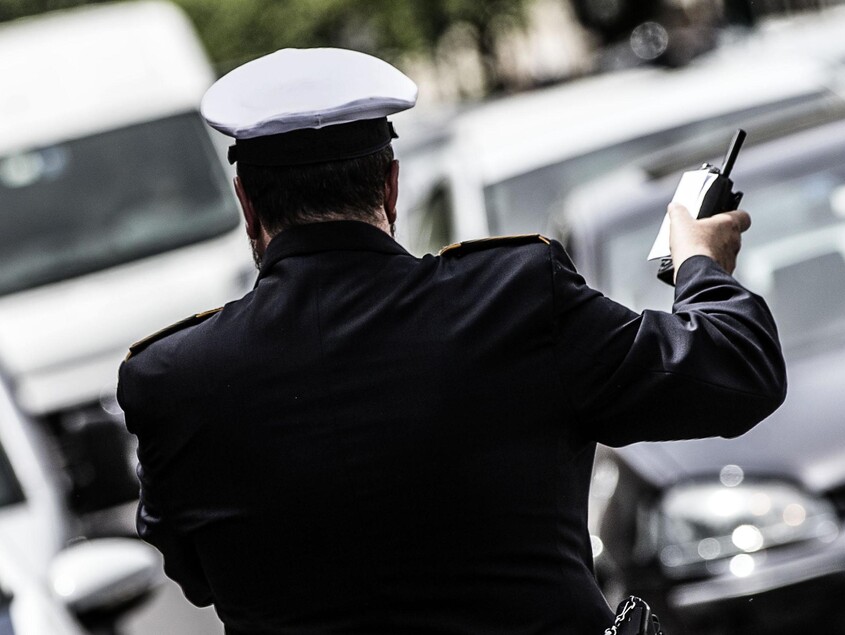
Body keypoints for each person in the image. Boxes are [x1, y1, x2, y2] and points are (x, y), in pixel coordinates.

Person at [118, 48, 787, 635]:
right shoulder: (513, 298)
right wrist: (698, 261)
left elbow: (198, 573)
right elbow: (737, 369)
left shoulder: (171, 380)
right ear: (391, 185)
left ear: (247, 206)